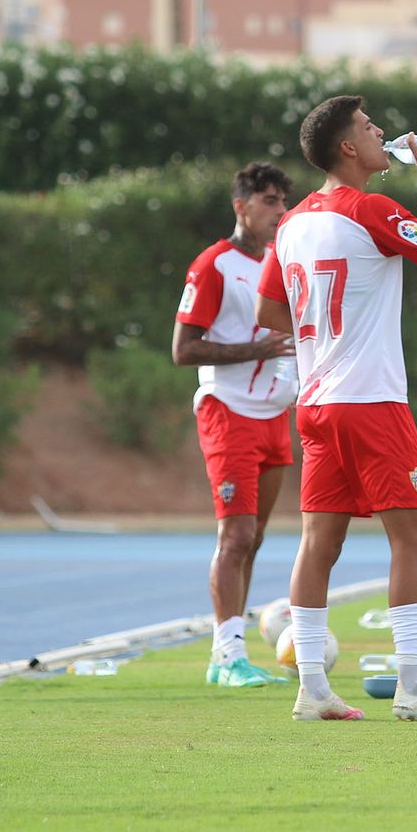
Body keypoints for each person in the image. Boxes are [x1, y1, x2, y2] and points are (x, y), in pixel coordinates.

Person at [255, 96, 417, 722]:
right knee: (411, 539)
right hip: (371, 400)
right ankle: (413, 686)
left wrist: (324, 334)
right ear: (348, 147)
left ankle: (312, 690)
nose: (382, 132)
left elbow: (269, 312)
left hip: (316, 402)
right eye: (368, 126)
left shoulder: (292, 222)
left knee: (318, 543)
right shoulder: (370, 208)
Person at [172, 161, 298, 689]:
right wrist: (257, 350)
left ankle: (231, 650)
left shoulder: (279, 260)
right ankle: (226, 656)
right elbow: (183, 350)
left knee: (256, 536)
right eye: (269, 200)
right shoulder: (213, 265)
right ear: (240, 206)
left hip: (274, 415)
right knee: (237, 534)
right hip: (229, 411)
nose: (279, 210)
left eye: (283, 201)